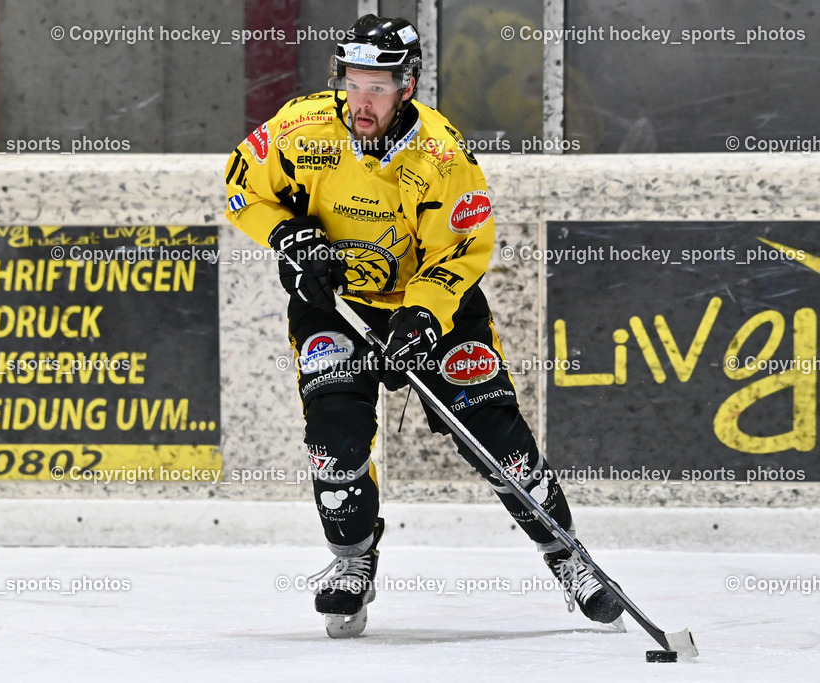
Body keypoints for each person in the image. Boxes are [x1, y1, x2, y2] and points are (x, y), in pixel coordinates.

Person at [224, 14, 623, 637]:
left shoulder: (442, 155)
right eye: (353, 83)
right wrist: (288, 235)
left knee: (497, 437)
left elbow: (462, 250)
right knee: (334, 438)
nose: (361, 101)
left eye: (377, 87)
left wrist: (422, 315)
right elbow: (240, 185)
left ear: (406, 86)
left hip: (433, 307)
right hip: (337, 304)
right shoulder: (301, 126)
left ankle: (569, 557)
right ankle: (352, 562)